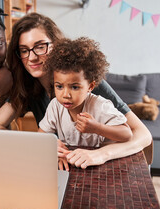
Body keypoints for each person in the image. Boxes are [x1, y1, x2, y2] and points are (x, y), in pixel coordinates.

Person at [0, 12, 152, 170]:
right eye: (24, 50)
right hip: (66, 167)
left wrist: (101, 154)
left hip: (101, 166)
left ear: (56, 46)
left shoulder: (86, 83)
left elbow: (143, 135)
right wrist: (42, 144)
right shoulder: (27, 86)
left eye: (40, 47)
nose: (32, 57)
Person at [38, 37, 133, 170]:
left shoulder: (100, 105)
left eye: (75, 87)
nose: (65, 94)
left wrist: (97, 128)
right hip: (72, 164)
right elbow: (41, 134)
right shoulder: (55, 106)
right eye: (59, 86)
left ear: (90, 86)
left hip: (100, 166)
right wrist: (53, 147)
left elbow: (127, 134)